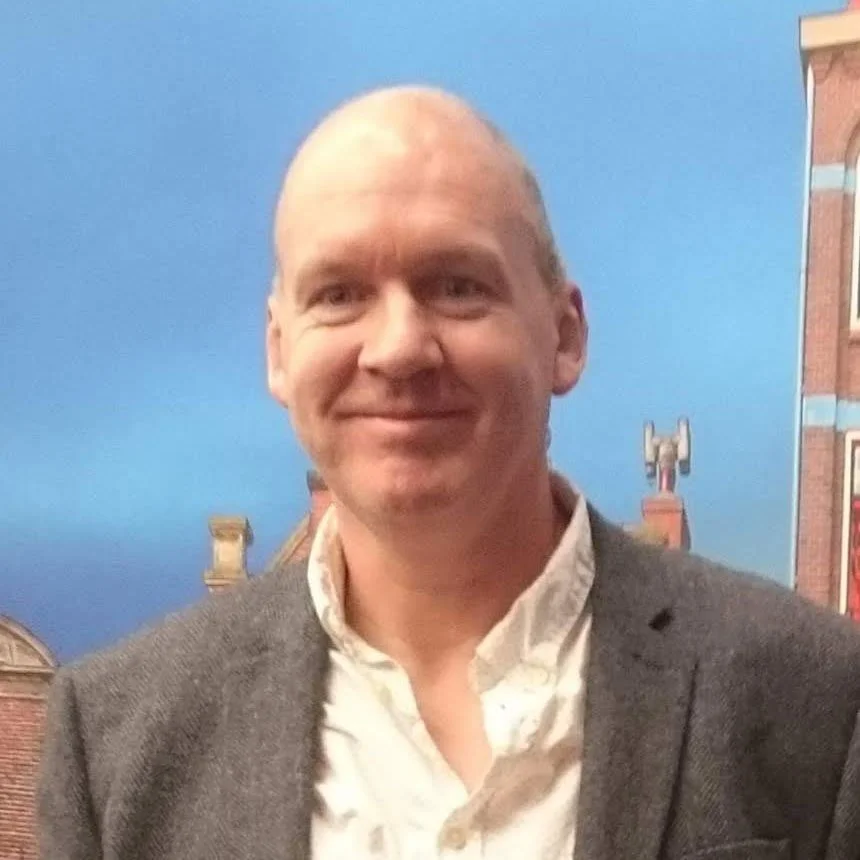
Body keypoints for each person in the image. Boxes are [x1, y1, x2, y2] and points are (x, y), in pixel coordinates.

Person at [38, 86, 860, 860]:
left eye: (458, 287)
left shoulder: (815, 702)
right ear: (279, 352)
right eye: (339, 294)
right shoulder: (115, 744)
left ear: (566, 335)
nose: (398, 348)